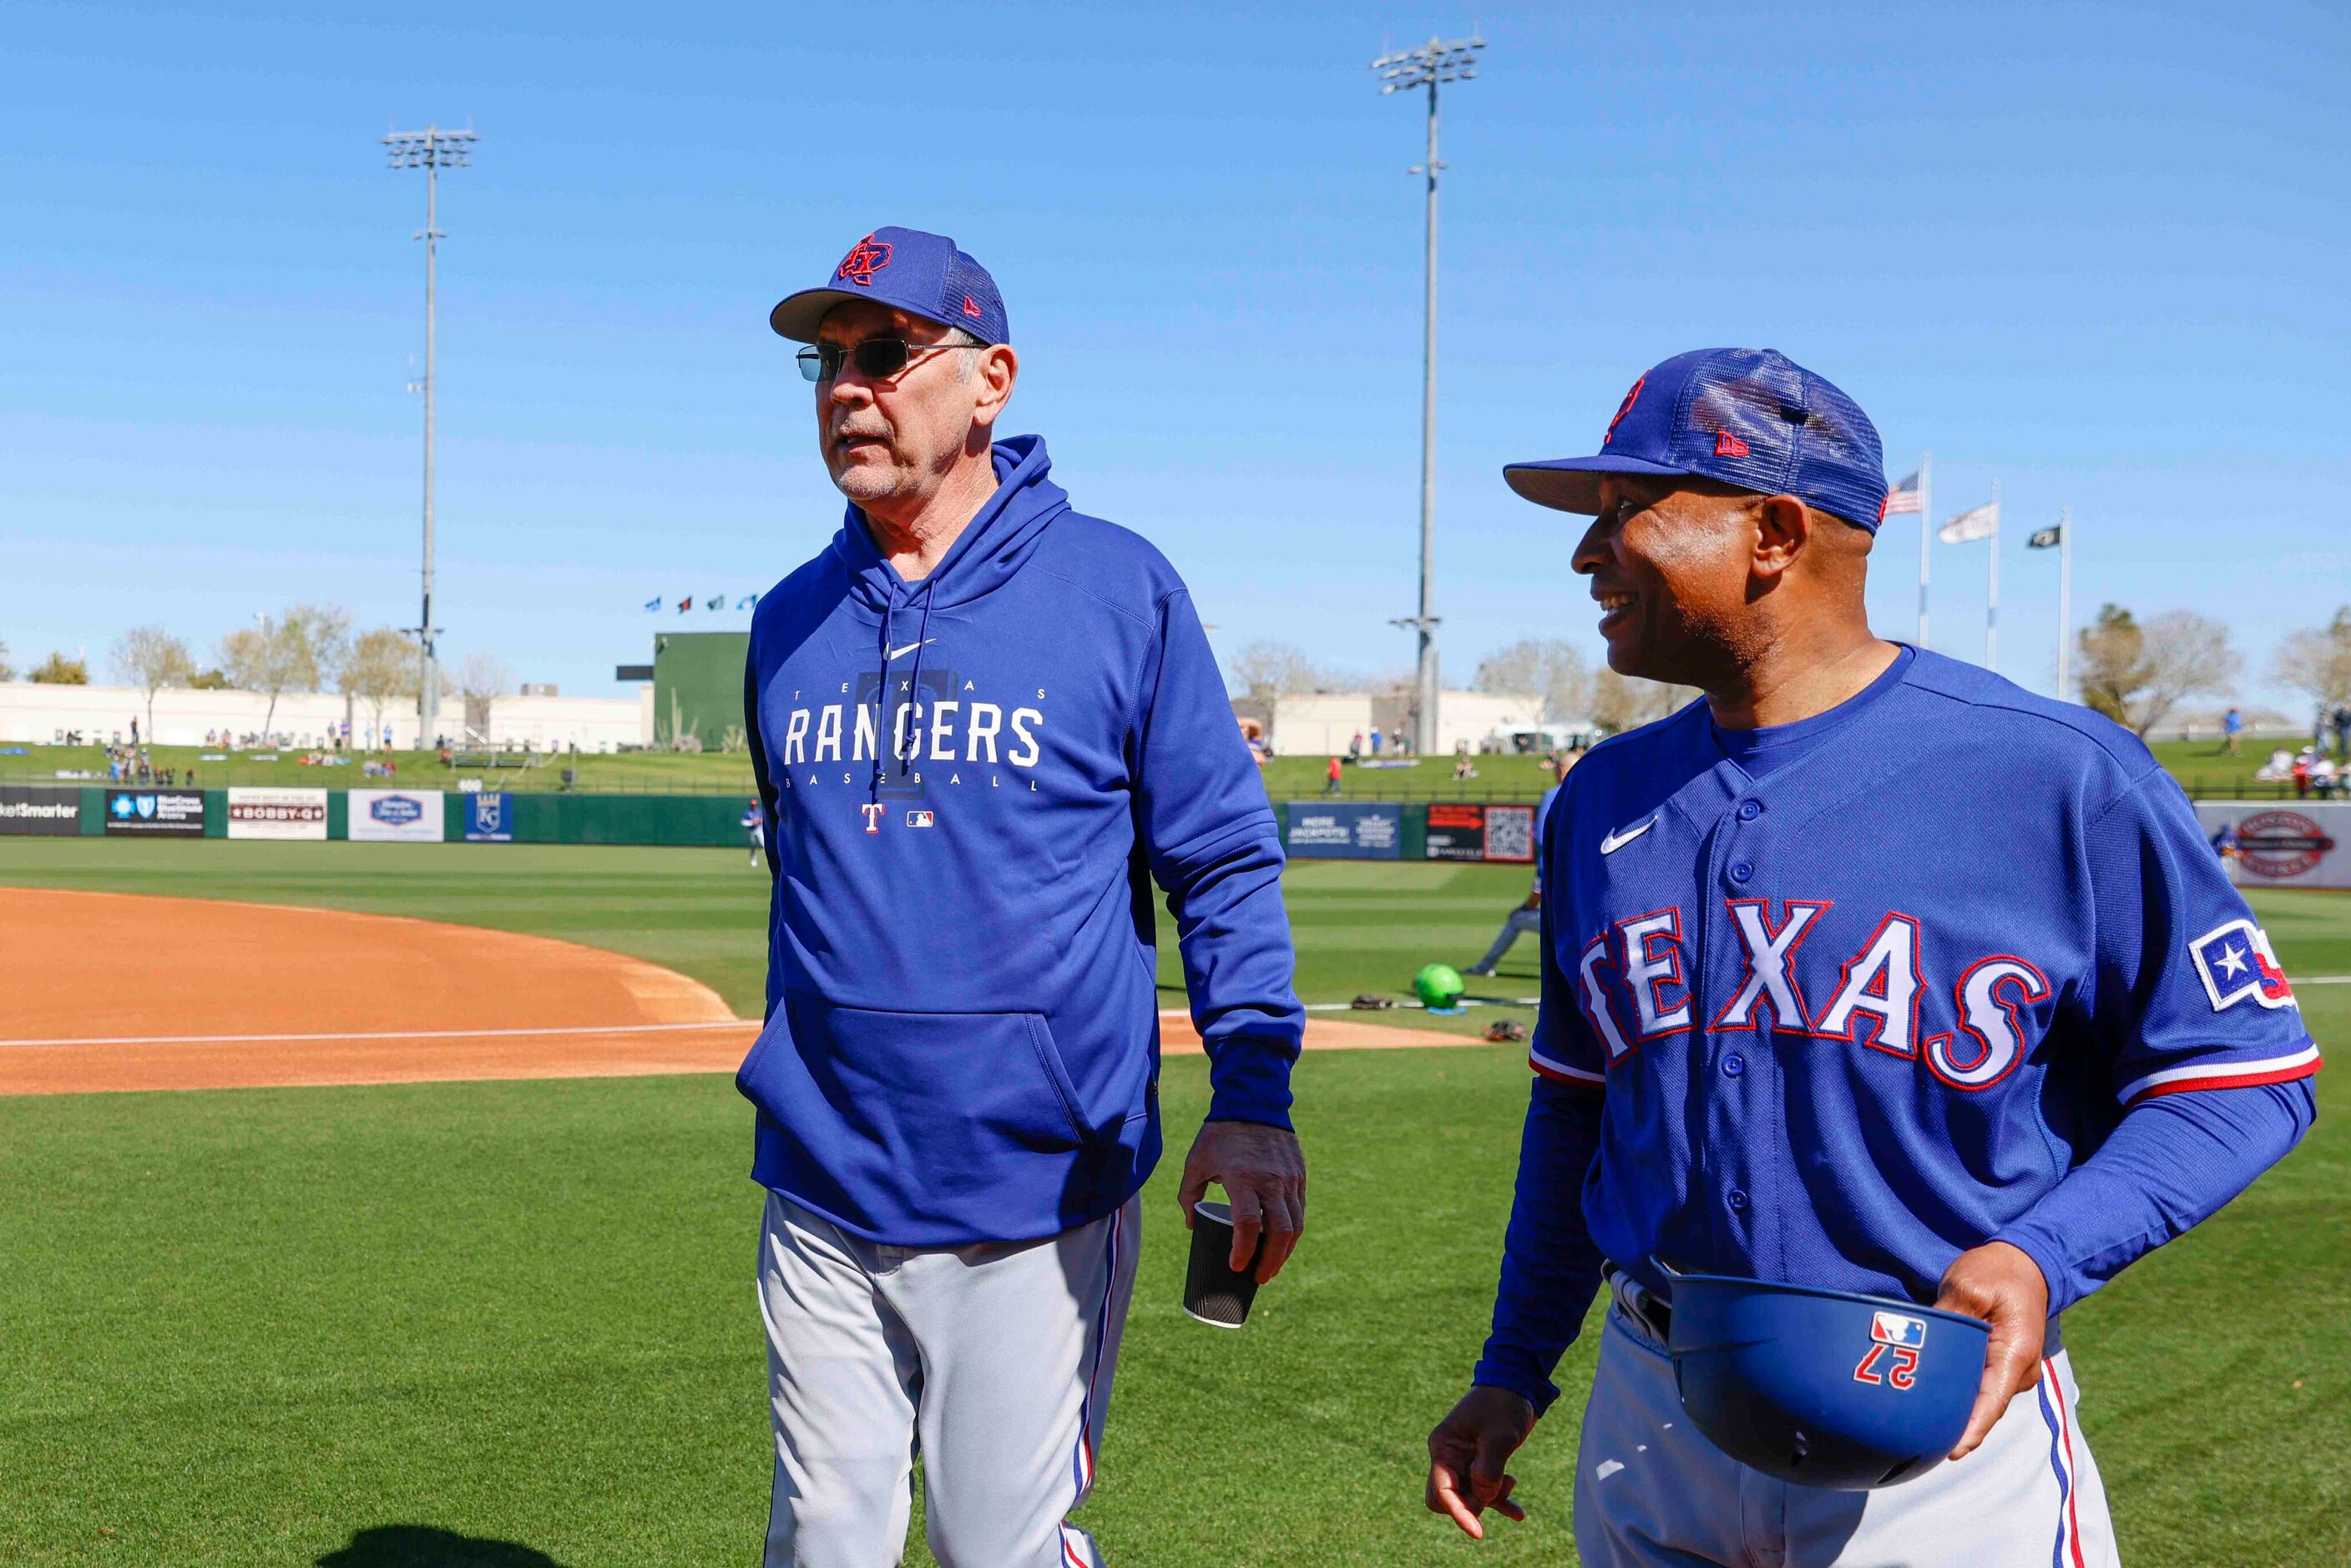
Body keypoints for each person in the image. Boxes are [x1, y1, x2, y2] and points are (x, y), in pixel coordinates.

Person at [1421, 347, 2319, 1566]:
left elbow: (2244, 1076)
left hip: (1942, 1413)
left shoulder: (2053, 775)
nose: (1588, 553)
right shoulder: (1602, 799)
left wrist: (2044, 1255)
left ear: (1775, 533)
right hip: (1656, 1406)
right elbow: (1579, 1113)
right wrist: (1514, 1369)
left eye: (1632, 513)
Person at [745, 225, 1307, 1568]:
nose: (845, 387)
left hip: (1037, 1184)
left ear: (989, 380)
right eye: (826, 361)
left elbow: (1222, 859)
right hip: (821, 1173)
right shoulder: (785, 620)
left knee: (995, 1550)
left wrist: (1254, 1099)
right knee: (820, 1541)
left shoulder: (1118, 589)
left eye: (885, 353)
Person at [1465, 756, 1567, 977]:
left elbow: (1538, 891)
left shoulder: (1550, 847)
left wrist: (1524, 908)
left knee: (1516, 920)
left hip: (1563, 922)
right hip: (1589, 919)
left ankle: (1484, 967)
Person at [741, 797, 765, 867]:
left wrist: (760, 821)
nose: (754, 806)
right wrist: (751, 823)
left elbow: (764, 820)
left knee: (763, 843)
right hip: (751, 831)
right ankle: (753, 859)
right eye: (752, 805)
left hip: (759, 830)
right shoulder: (747, 813)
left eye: (755, 805)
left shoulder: (759, 812)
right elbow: (743, 822)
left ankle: (767, 855)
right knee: (753, 846)